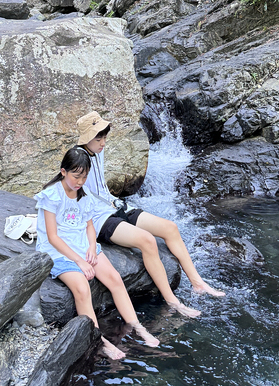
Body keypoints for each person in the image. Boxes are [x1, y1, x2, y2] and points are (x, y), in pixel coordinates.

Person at [77, 111, 226, 318]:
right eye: (98, 138)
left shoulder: (96, 151)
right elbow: (69, 193)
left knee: (170, 228)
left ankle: (197, 282)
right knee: (147, 241)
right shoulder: (78, 159)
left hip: (115, 206)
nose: (103, 142)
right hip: (99, 219)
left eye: (103, 137)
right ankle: (172, 301)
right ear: (86, 139)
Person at [35, 147, 160, 360]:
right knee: (82, 288)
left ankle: (137, 327)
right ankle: (99, 340)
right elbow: (53, 237)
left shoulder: (84, 196)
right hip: (58, 251)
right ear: (63, 171)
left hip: (82, 244)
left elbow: (90, 227)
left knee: (114, 279)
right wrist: (79, 262)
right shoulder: (52, 196)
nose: (80, 182)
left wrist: (92, 248)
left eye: (84, 177)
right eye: (76, 176)